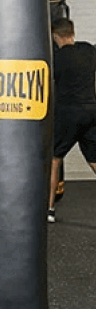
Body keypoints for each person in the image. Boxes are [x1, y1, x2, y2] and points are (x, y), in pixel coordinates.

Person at [47, 18, 96, 223]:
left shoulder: (56, 58)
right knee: (94, 161)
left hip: (67, 114)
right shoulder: (89, 50)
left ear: (55, 36)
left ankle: (49, 210)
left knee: (54, 160)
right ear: (73, 32)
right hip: (91, 111)